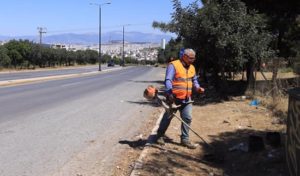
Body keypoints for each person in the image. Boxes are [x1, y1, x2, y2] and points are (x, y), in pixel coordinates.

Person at [156, 48, 205, 149]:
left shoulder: (192, 67)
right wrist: (170, 92)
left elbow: (194, 80)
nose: (193, 60)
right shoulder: (173, 65)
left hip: (187, 98)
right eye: (191, 58)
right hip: (173, 98)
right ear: (184, 57)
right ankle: (160, 136)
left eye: (194, 58)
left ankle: (185, 139)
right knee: (168, 118)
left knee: (187, 118)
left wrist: (198, 87)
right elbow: (168, 80)